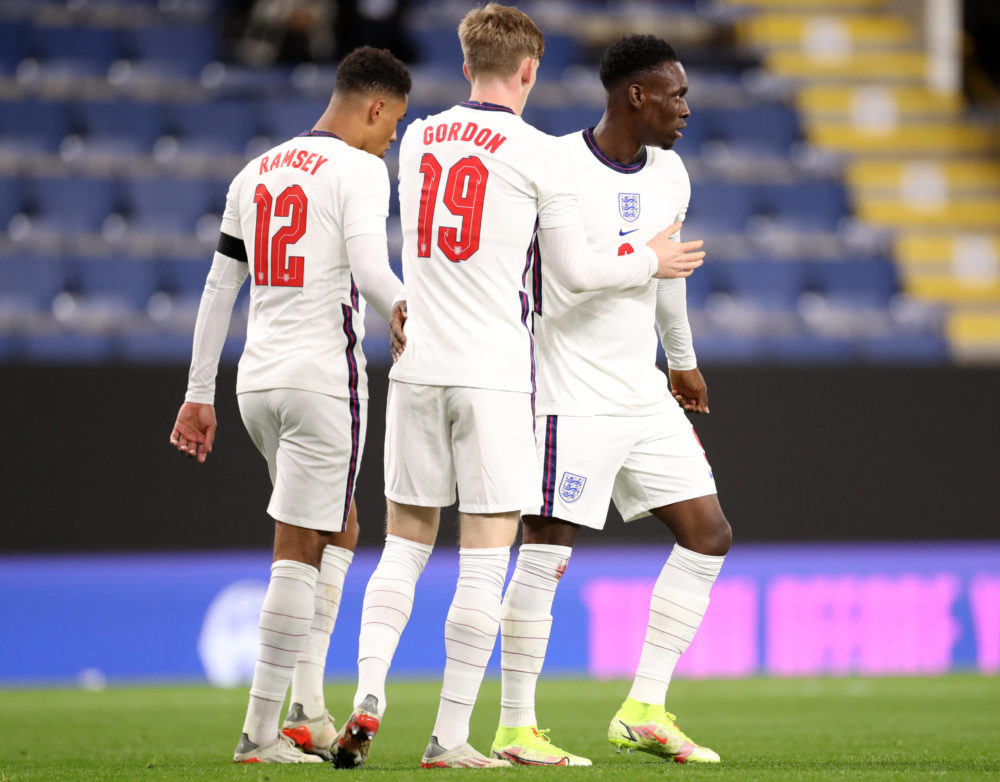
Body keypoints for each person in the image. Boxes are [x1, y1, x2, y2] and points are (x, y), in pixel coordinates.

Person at [332, 5, 707, 770]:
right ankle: (454, 735)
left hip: (419, 365)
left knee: (402, 547)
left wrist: (402, 304)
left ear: (467, 62)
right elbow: (570, 274)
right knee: (486, 560)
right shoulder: (543, 154)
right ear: (530, 70)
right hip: (501, 374)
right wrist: (650, 261)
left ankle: (369, 688)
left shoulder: (420, 140)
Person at [487, 34, 732, 767]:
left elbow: (670, 271)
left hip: (640, 388)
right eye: (675, 94)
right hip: (571, 390)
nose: (685, 108)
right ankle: (515, 727)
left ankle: (645, 708)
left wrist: (681, 360)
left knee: (708, 534)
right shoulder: (556, 164)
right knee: (546, 548)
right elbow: (566, 280)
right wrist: (646, 260)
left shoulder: (671, 173)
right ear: (636, 95)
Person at [168, 45, 411, 764]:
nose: (391, 138)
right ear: (374, 107)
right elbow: (371, 270)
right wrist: (407, 308)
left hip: (256, 383)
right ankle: (259, 732)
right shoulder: (360, 169)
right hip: (320, 380)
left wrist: (195, 393)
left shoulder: (256, 171)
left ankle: (306, 708)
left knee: (337, 525)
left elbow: (219, 289)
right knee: (300, 544)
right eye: (392, 123)